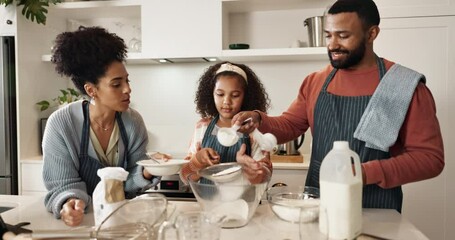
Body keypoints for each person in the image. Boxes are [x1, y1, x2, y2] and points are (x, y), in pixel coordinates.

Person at [233, 0, 444, 212]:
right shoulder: (316, 81)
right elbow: (291, 125)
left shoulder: (404, 85)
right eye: (328, 35)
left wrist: (363, 172)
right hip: (319, 206)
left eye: (343, 36)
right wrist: (260, 119)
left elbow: (430, 159)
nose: (333, 44)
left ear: (371, 34)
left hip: (377, 208)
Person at [42, 26, 167, 226]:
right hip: (82, 224)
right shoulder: (62, 124)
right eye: (116, 84)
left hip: (121, 222)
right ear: (91, 90)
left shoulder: (133, 122)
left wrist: (146, 171)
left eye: (127, 80)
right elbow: (61, 185)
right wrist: (69, 202)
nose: (128, 89)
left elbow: (128, 185)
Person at [180, 61, 273, 184]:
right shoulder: (202, 127)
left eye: (235, 95)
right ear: (211, 94)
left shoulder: (254, 131)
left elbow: (265, 177)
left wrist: (251, 169)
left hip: (244, 202)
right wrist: (198, 161)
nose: (226, 101)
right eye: (220, 94)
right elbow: (185, 177)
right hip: (209, 202)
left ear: (246, 96)